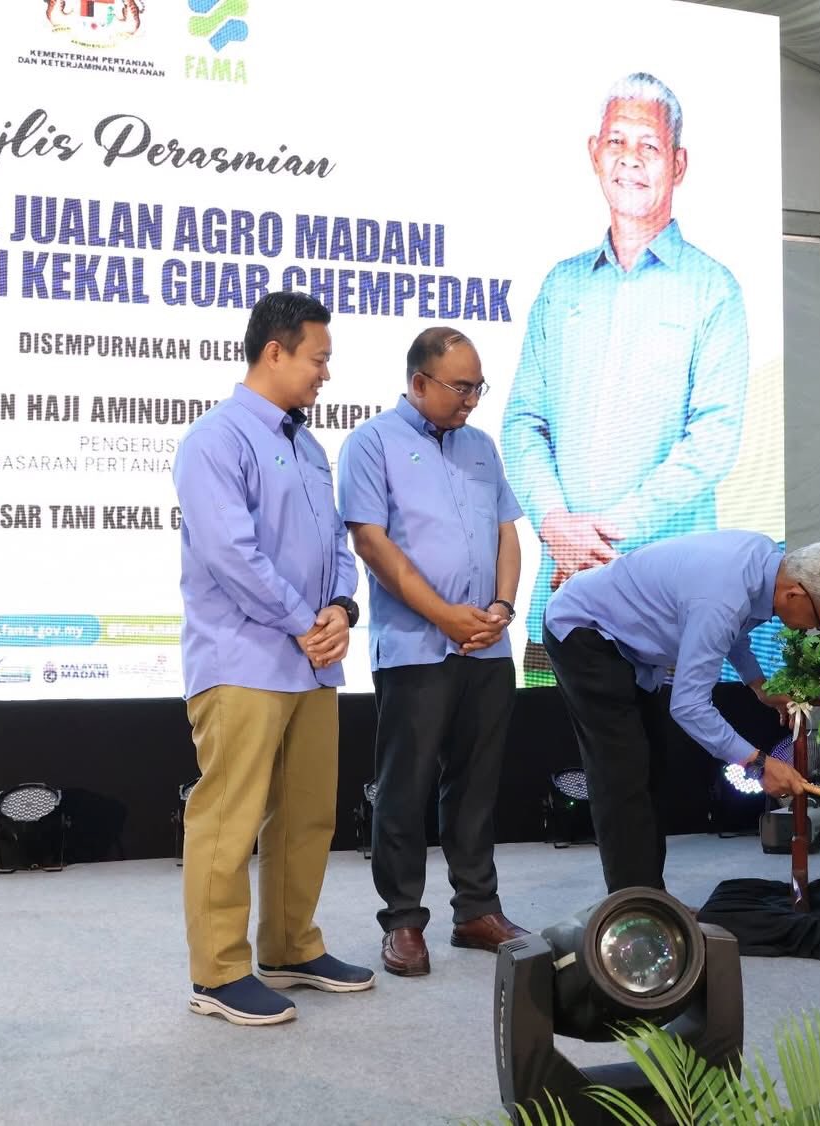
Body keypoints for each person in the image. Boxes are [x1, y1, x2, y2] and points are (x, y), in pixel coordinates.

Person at [502, 71, 750, 683]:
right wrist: (555, 524)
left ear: (679, 162)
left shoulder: (713, 290)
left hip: (664, 615)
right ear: (594, 152)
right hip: (560, 606)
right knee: (550, 768)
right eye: (617, 142)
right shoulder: (562, 287)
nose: (630, 161)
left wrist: (601, 543)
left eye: (649, 146)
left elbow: (713, 440)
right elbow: (522, 422)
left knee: (665, 775)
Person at [173, 291, 373, 1027]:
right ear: (275, 352)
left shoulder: (308, 446)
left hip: (310, 663)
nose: (326, 373)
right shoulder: (215, 440)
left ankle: (291, 946)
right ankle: (218, 974)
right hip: (243, 661)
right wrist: (301, 621)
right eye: (318, 359)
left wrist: (341, 611)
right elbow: (232, 554)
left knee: (308, 816)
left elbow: (337, 549)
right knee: (229, 819)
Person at [337, 327, 528, 977]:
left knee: (476, 783)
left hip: (487, 647)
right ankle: (402, 921)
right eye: (460, 386)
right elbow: (372, 544)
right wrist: (445, 616)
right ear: (417, 382)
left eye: (478, 386)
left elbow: (507, 532)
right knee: (405, 786)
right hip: (416, 645)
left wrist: (501, 609)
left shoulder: (482, 447)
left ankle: (476, 910)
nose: (472, 399)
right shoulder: (371, 444)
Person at [543, 533, 820, 893]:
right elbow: (690, 706)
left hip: (630, 645)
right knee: (622, 776)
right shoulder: (721, 600)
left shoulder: (765, 562)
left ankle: (652, 900)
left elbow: (735, 632)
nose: (817, 630)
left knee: (650, 769)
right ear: (795, 594)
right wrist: (758, 765)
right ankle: (638, 913)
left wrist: (759, 685)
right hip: (585, 631)